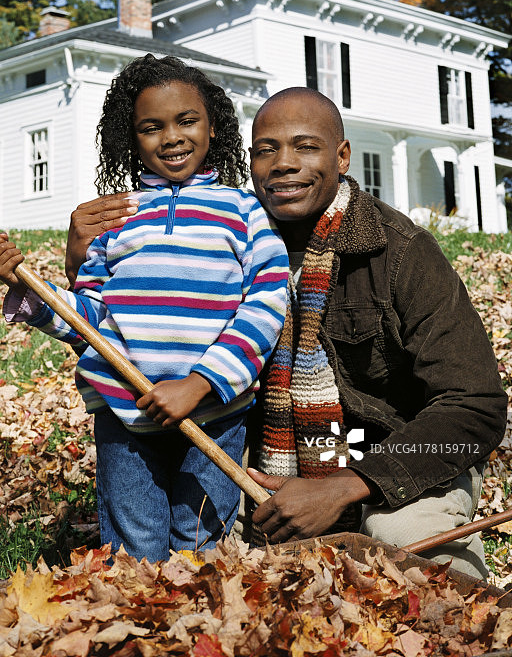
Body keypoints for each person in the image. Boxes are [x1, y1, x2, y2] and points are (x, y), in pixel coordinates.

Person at [66, 85, 507, 579]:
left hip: (394, 460)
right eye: (266, 149)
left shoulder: (401, 252)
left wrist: (345, 485)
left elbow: (476, 405)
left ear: (342, 157)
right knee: (201, 563)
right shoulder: (227, 237)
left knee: (409, 556)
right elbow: (135, 324)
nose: (283, 163)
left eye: (305, 146)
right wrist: (77, 262)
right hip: (264, 461)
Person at [0, 54, 289, 562]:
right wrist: (27, 286)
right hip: (125, 411)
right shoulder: (117, 217)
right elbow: (90, 319)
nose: (171, 137)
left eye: (187, 121)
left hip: (214, 411)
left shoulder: (243, 211)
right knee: (135, 553)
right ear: (132, 138)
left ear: (213, 126)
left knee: (200, 546)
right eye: (152, 127)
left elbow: (266, 302)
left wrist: (200, 384)